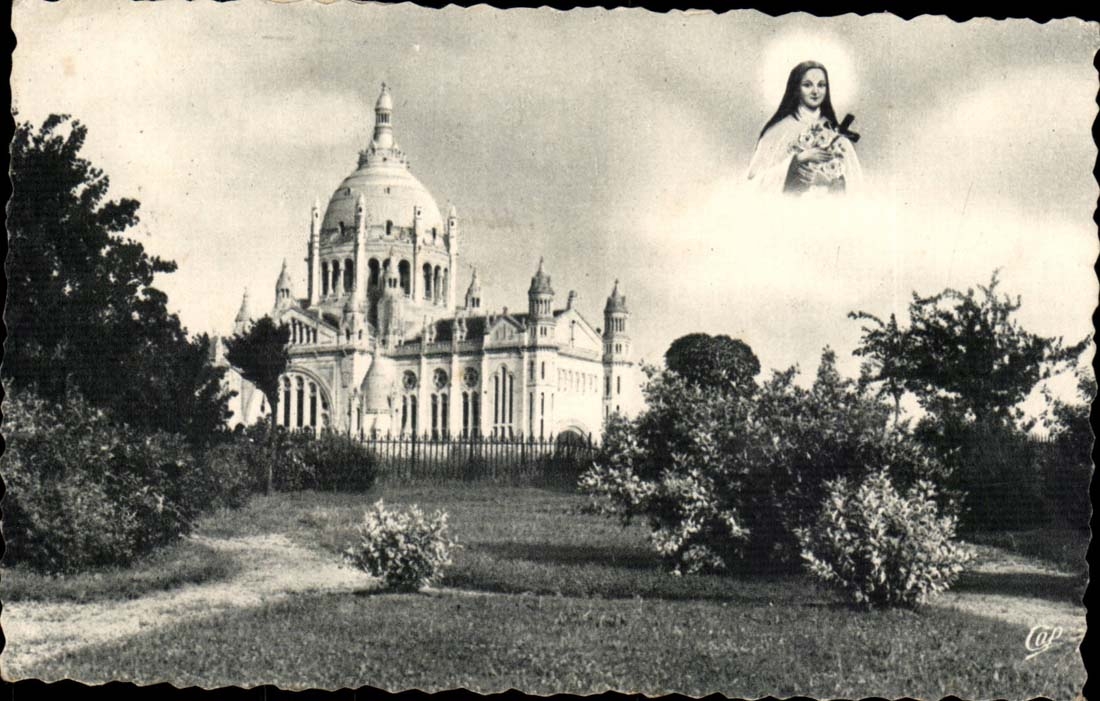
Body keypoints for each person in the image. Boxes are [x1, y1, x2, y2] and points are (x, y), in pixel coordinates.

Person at [747, 60, 863, 195]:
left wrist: (826, 182)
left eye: (821, 85)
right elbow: (753, 182)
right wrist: (798, 159)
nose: (815, 91)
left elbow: (855, 185)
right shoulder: (779, 130)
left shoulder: (835, 132)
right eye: (807, 85)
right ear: (796, 88)